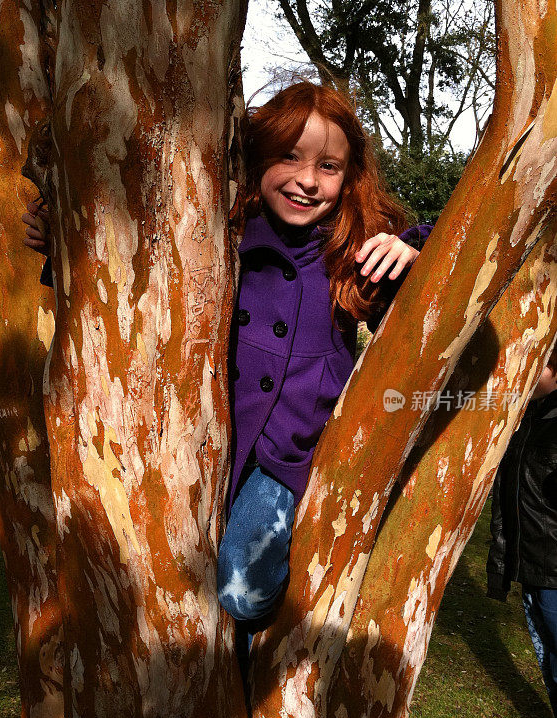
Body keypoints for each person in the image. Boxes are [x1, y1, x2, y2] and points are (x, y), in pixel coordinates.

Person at [22, 82, 432, 632]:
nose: (307, 180)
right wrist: (62, 239)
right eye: (289, 156)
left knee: (241, 592)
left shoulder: (351, 249)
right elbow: (130, 279)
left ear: (348, 176)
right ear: (257, 157)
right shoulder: (220, 232)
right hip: (202, 441)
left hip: (284, 456)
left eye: (329, 166)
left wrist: (417, 249)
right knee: (159, 578)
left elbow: (430, 294)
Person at [487, 342, 557, 718]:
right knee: (550, 658)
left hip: (554, 568)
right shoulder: (527, 420)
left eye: (539, 367)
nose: (529, 375)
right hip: (529, 565)